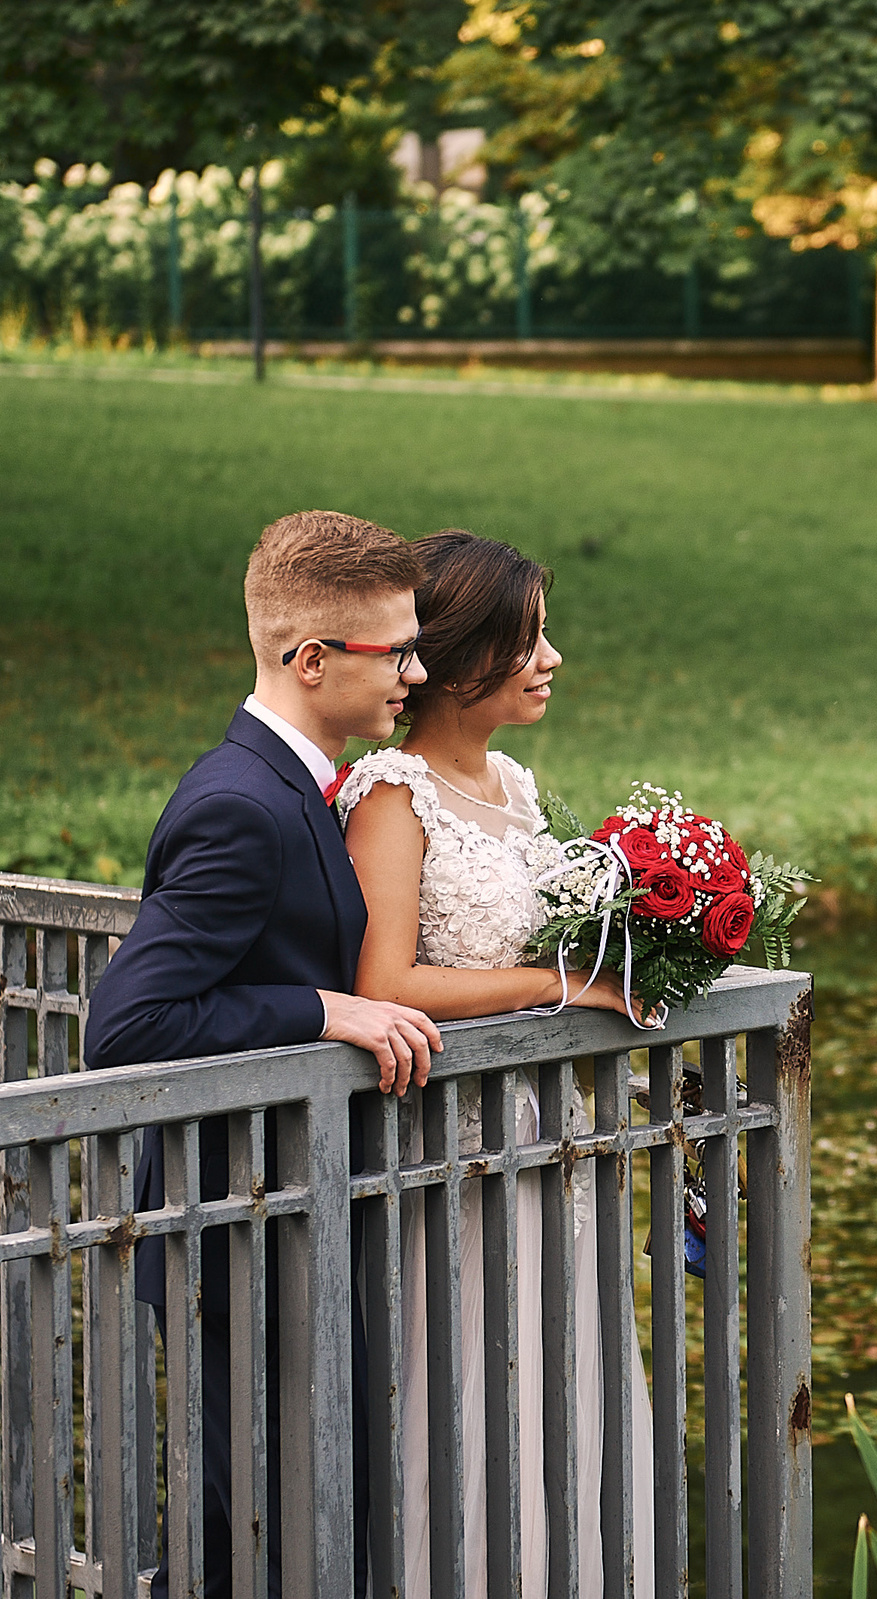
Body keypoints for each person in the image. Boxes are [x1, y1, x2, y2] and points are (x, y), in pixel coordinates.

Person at [85, 509, 445, 1599]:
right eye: (397, 651)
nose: (416, 673)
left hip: (288, 1206)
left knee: (308, 1505)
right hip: (233, 1218)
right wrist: (320, 1010)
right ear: (311, 658)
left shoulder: (297, 782)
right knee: (259, 1523)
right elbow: (126, 1026)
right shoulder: (242, 804)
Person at [334, 528, 655, 1599]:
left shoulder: (513, 784)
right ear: (463, 658)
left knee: (570, 1364)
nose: (553, 657)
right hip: (456, 1144)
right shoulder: (390, 789)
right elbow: (389, 981)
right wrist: (564, 986)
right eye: (528, 640)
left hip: (551, 1130)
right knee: (473, 1378)